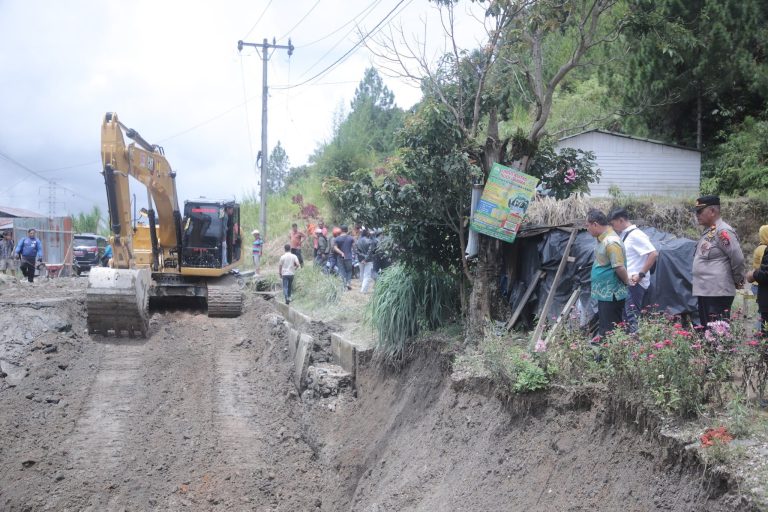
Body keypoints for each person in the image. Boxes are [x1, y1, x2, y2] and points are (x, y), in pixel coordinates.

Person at [692, 195, 745, 325]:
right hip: (706, 290)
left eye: (700, 211)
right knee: (708, 331)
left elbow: (737, 258)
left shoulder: (723, 231)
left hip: (717, 292)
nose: (697, 215)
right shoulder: (711, 231)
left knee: (718, 332)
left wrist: (738, 280)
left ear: (712, 211)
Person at [608, 208, 658, 333]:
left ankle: (635, 349)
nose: (613, 227)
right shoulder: (625, 234)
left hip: (635, 285)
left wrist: (640, 275)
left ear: (621, 220)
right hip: (628, 283)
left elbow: (653, 254)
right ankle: (630, 348)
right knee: (627, 318)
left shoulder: (636, 235)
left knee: (632, 318)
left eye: (613, 224)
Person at [586, 209, 630, 337]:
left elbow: (619, 267)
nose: (587, 229)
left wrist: (627, 281)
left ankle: (608, 355)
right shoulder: (603, 239)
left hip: (612, 293)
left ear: (595, 224)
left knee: (609, 328)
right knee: (606, 326)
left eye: (588, 226)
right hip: (605, 293)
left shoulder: (611, 242)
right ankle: (607, 354)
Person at [748, 225, 768, 337]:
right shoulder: (763, 248)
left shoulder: (760, 247)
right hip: (758, 283)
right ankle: (758, 333)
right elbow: (764, 269)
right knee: (761, 313)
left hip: (757, 282)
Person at [333, 225, 355, 290]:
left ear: (341, 230)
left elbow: (335, 248)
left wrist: (341, 253)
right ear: (347, 230)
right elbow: (354, 247)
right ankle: (348, 283)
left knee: (342, 271)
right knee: (349, 271)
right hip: (349, 257)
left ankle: (344, 285)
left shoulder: (337, 239)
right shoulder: (351, 238)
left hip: (340, 258)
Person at [355, 229, 376, 293]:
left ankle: (362, 287)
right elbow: (370, 251)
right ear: (368, 234)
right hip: (368, 260)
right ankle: (363, 290)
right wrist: (366, 259)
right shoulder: (370, 241)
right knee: (367, 275)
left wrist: (362, 258)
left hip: (360, 259)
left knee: (362, 273)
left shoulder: (358, 241)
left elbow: (357, 251)